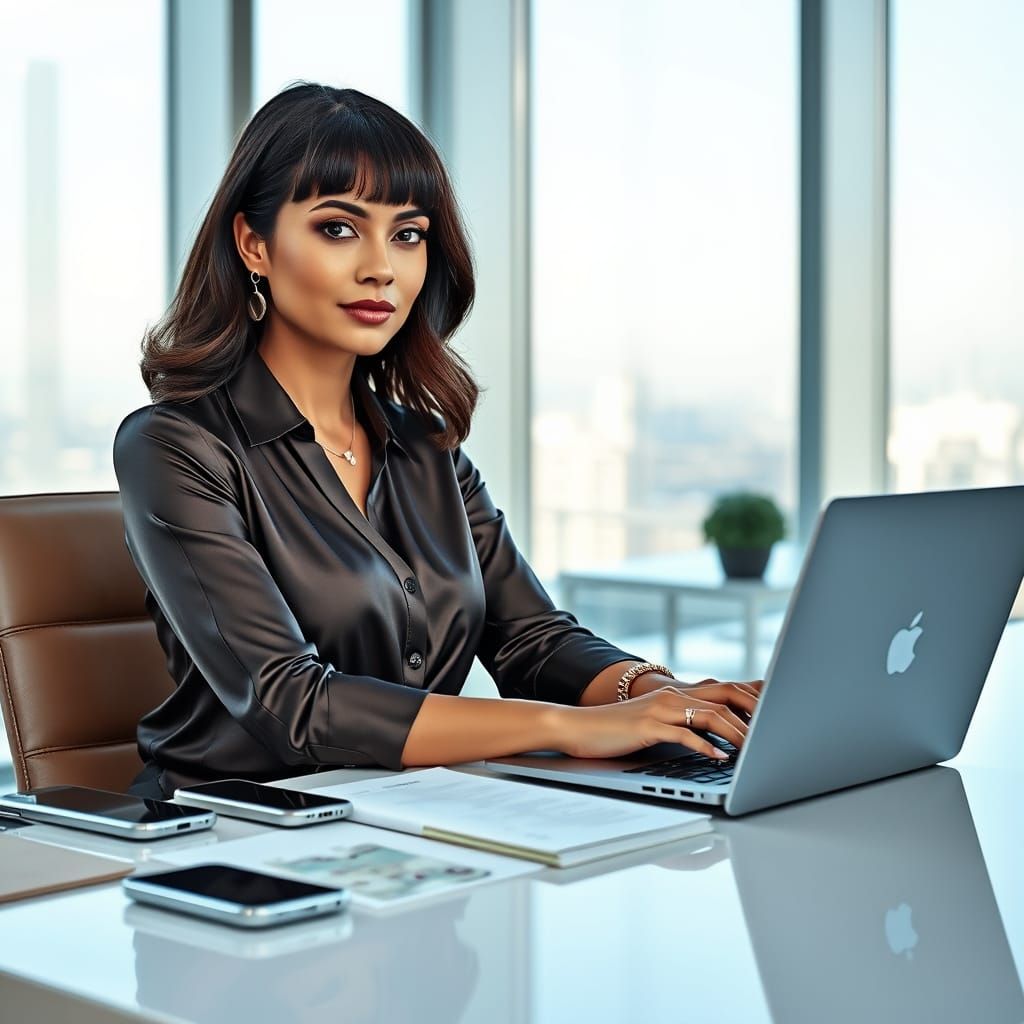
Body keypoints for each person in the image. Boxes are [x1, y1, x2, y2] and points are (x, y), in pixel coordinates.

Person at [113, 82, 762, 800]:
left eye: (408, 234)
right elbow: (292, 705)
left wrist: (667, 699)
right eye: (338, 228)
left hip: (411, 822)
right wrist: (570, 727)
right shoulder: (173, 447)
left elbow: (533, 640)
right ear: (254, 244)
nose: (381, 268)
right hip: (232, 841)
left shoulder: (426, 444)